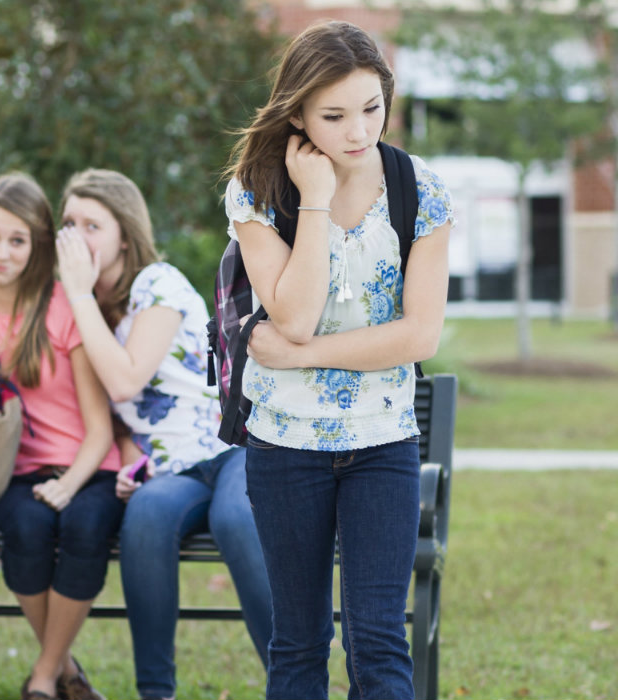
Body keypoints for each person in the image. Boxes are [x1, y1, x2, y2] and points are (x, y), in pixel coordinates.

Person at [221, 20, 453, 699]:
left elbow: (419, 337)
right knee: (298, 642)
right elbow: (291, 314)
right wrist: (316, 200)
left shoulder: (421, 190)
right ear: (296, 113)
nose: (359, 131)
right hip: (285, 444)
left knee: (378, 642)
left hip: (383, 441)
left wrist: (304, 354)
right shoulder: (256, 189)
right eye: (334, 116)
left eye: (372, 108)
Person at [54, 169, 273, 700]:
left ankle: (292, 681)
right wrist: (132, 459)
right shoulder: (88, 308)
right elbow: (124, 413)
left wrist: (78, 295)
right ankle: (156, 692)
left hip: (233, 446)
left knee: (235, 518)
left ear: (124, 235)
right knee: (146, 516)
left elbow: (126, 378)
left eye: (92, 225)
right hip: (173, 468)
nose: (77, 237)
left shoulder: (158, 283)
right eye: (69, 224)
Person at [0, 172, 121, 700]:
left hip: (87, 467)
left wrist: (69, 484)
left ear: (37, 246)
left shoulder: (63, 306)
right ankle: (66, 671)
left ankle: (42, 676)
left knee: (85, 529)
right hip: (12, 471)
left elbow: (99, 427)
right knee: (26, 531)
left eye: (17, 240)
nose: (2, 252)